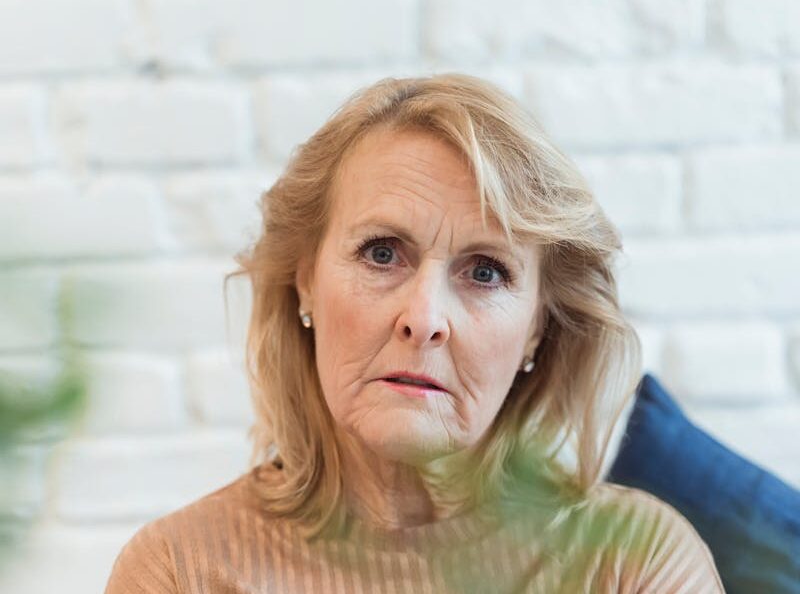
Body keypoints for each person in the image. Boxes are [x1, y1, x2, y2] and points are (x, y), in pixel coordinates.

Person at [105, 74, 725, 593]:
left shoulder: (637, 565)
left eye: (485, 272)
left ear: (538, 329)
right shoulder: (181, 570)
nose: (424, 318)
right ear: (305, 284)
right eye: (381, 254)